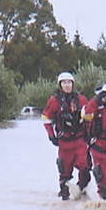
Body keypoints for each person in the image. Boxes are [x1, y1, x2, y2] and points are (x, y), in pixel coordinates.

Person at [41, 71, 91, 200]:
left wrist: (90, 134)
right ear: (60, 85)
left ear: (73, 84)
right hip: (64, 143)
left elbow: (90, 117)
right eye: (64, 83)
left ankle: (81, 191)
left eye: (69, 83)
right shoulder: (54, 101)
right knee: (64, 171)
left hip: (80, 140)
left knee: (85, 167)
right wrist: (51, 135)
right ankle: (65, 196)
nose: (67, 85)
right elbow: (46, 118)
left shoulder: (81, 99)